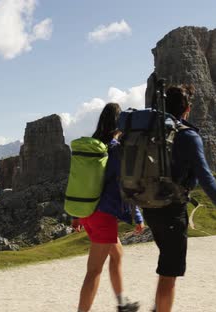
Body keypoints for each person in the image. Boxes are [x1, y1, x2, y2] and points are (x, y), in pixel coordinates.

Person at [142, 85, 216, 312]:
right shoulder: (187, 135)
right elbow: (205, 176)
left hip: (148, 204)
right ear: (187, 109)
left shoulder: (149, 130)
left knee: (166, 263)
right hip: (172, 208)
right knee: (169, 272)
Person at [72, 103, 145, 312]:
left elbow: (80, 181)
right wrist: (138, 216)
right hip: (103, 216)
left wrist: (76, 214)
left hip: (88, 212)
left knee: (117, 253)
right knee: (94, 270)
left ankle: (122, 303)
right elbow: (126, 185)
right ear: (119, 123)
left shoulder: (93, 147)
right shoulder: (115, 150)